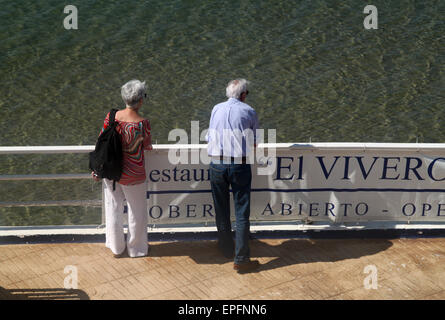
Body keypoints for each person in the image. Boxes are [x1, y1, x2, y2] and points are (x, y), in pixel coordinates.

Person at [92, 79, 152, 258]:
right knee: (137, 211)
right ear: (140, 99)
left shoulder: (111, 117)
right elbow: (147, 146)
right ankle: (136, 249)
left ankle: (116, 246)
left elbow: (101, 142)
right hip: (133, 174)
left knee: (114, 207)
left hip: (111, 172)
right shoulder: (142, 124)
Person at [206, 78, 260, 273]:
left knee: (221, 208)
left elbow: (208, 137)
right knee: (241, 211)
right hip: (239, 165)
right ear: (243, 95)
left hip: (217, 165)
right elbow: (255, 142)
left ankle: (226, 247)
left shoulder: (216, 109)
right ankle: (242, 258)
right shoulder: (249, 111)